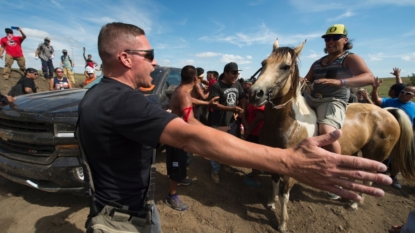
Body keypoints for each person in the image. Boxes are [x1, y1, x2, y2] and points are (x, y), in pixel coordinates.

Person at [78, 22, 391, 233]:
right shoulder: (123, 102)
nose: (155, 63)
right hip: (124, 220)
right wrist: (287, 160)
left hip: (117, 206)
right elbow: (189, 137)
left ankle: (337, 164)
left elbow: (366, 77)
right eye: (150, 56)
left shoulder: (101, 94)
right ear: (125, 58)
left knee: (327, 126)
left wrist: (339, 82)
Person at [304, 23, 374, 157]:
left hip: (332, 101)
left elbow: (369, 77)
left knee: (326, 132)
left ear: (345, 40)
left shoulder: (350, 58)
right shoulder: (318, 62)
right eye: (327, 39)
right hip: (311, 99)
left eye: (335, 37)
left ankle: (336, 166)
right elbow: (306, 81)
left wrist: (340, 82)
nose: (330, 41)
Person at [165, 65, 218, 211]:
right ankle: (171, 196)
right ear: (195, 79)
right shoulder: (184, 94)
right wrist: (212, 133)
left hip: (181, 135)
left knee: (184, 161)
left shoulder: (182, 90)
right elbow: (190, 119)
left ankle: (180, 179)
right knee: (176, 165)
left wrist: (207, 103)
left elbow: (191, 101)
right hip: (176, 137)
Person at [371, 78, 415, 189]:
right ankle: (378, 173)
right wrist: (375, 88)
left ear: (413, 96)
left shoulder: (414, 107)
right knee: (382, 154)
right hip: (385, 135)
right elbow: (377, 100)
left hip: (404, 136)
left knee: (399, 158)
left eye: (407, 93)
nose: (403, 94)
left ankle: (393, 177)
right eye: (402, 92)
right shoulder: (390, 101)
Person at [208, 62, 246, 183]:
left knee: (229, 146)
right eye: (233, 73)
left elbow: (242, 97)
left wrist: (240, 109)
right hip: (219, 123)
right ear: (226, 73)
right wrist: (231, 109)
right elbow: (214, 105)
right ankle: (215, 171)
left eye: (237, 73)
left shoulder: (237, 85)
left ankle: (225, 164)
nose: (236, 76)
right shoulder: (217, 86)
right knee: (216, 148)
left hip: (232, 123)